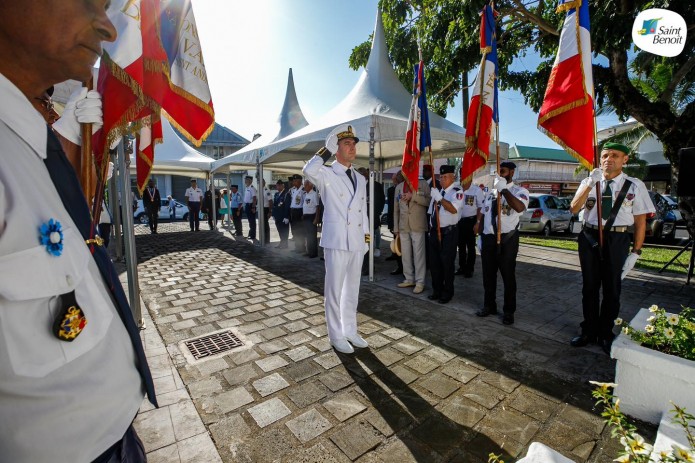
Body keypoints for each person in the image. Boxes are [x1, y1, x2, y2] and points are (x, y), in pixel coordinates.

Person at [0, 1, 156, 461]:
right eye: (89, 1)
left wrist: (66, 136)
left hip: (119, 437)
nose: (107, 27)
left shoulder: (28, 139)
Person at [569, 143, 654, 354]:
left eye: (615, 155)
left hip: (617, 238)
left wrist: (636, 251)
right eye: (605, 155)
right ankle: (588, 330)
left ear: (625, 159)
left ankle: (606, 333)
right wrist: (590, 184)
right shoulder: (589, 181)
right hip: (589, 236)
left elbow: (641, 222)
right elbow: (574, 208)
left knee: (612, 288)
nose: (608, 159)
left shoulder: (634, 185)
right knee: (589, 287)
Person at [303, 124, 370, 354]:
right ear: (337, 148)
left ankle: (350, 330)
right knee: (334, 291)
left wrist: (367, 240)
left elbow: (363, 210)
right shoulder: (327, 174)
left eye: (353, 144)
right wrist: (326, 150)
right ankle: (336, 335)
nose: (352, 148)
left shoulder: (361, 178)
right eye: (347, 144)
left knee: (352, 290)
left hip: (356, 241)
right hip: (337, 240)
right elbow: (308, 170)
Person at [475, 161, 529, 325]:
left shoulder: (520, 191)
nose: (500, 174)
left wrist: (504, 190)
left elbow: (519, 207)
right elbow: (485, 212)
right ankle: (489, 305)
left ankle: (508, 311)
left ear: (512, 172)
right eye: (498, 171)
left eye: (503, 171)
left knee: (508, 277)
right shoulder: (490, 192)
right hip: (489, 238)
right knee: (488, 276)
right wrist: (480, 229)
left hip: (507, 239)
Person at [428, 165, 465, 304]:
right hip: (434, 231)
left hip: (448, 232)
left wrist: (440, 199)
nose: (442, 179)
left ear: (452, 177)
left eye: (445, 177)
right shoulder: (438, 192)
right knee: (434, 263)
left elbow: (453, 209)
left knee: (447, 263)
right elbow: (431, 213)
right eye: (440, 177)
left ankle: (447, 292)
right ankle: (436, 290)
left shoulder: (457, 191)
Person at [394, 172, 430, 294]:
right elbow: (396, 209)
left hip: (418, 224)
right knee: (405, 254)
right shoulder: (399, 187)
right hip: (403, 225)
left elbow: (429, 202)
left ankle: (420, 282)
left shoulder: (423, 184)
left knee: (419, 255)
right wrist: (395, 227)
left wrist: (413, 196)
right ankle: (409, 278)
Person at [456, 177, 485, 277]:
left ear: (470, 178)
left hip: (471, 221)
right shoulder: (457, 188)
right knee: (461, 246)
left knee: (471, 246)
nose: (462, 178)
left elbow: (481, 207)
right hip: (459, 221)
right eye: (461, 175)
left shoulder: (477, 190)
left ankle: (469, 269)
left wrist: (478, 223)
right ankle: (462, 267)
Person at [302, 179, 321, 258]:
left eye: (306, 185)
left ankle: (313, 253)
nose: (304, 187)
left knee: (312, 236)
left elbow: (317, 207)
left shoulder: (314, 194)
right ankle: (309, 251)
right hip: (306, 216)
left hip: (311, 217)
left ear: (310, 185)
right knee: (307, 235)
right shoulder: (306, 194)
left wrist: (316, 218)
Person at [272, 179, 291, 248]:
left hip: (283, 216)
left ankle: (285, 244)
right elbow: (274, 205)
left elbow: (287, 206)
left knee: (284, 231)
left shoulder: (286, 194)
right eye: (277, 186)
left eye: (278, 186)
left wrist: (286, 217)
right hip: (277, 216)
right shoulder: (276, 194)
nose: (277, 187)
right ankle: (281, 242)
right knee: (279, 230)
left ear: (282, 186)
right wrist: (273, 214)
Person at [289, 174, 305, 252]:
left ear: (299, 181)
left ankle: (301, 248)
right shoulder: (293, 189)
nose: (293, 182)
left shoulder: (303, 190)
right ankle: (297, 247)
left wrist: (303, 214)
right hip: (293, 211)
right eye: (293, 181)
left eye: (295, 181)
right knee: (294, 230)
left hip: (299, 212)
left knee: (300, 231)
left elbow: (305, 203)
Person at [243, 175, 257, 239]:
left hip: (251, 206)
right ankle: (250, 234)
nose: (245, 181)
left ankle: (252, 235)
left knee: (252, 221)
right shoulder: (247, 187)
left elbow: (254, 198)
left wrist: (253, 207)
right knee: (250, 221)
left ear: (250, 181)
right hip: (247, 205)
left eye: (246, 179)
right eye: (245, 179)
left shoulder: (252, 188)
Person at [261, 179, 273, 243]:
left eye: (262, 182)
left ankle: (267, 240)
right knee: (261, 225)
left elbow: (270, 201)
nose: (261, 183)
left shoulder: (266, 190)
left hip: (265, 209)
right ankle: (263, 238)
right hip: (260, 209)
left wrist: (270, 211)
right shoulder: (260, 190)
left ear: (264, 183)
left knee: (265, 225)